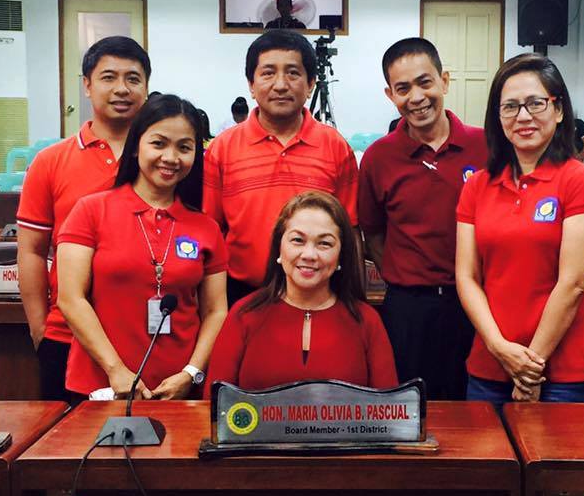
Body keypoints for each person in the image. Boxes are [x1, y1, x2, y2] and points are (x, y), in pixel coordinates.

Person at [456, 53, 584, 407]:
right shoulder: (477, 185)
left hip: (565, 373)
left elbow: (572, 284)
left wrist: (529, 368)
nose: (523, 116)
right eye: (510, 107)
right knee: (488, 462)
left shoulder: (580, 181)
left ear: (558, 110)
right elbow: (466, 276)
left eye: (535, 103)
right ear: (497, 117)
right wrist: (498, 347)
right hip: (489, 365)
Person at [56, 95, 228, 401]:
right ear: (136, 146)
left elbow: (216, 311)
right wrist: (116, 369)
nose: (171, 157)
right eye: (159, 143)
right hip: (101, 386)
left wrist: (191, 373)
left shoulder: (206, 228)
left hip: (178, 390)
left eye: (184, 147)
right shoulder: (91, 210)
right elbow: (71, 299)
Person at [17, 36, 150, 402]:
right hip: (67, 337)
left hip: (150, 339)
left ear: (146, 87)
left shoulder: (162, 162)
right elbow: (31, 250)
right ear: (87, 84)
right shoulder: (51, 161)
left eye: (133, 78)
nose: (121, 89)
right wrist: (39, 328)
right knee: (67, 453)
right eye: (108, 77)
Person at [358, 38, 488, 400]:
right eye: (403, 88)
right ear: (390, 95)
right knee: (410, 408)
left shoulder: (487, 146)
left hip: (476, 305)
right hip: (408, 309)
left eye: (425, 82)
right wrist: (407, 276)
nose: (416, 97)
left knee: (474, 411)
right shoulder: (378, 157)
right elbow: (373, 233)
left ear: (444, 81)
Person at [203, 29, 358, 308]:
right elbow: (210, 230)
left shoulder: (335, 147)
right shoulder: (222, 148)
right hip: (241, 294)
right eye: (268, 73)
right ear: (251, 84)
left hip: (319, 294)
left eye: (293, 73)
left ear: (311, 83)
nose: (280, 84)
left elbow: (349, 231)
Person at [205, 191, 397, 392]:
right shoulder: (244, 315)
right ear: (279, 247)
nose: (309, 255)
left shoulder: (367, 321)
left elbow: (388, 413)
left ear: (341, 255)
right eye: (298, 240)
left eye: (324, 243)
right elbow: (216, 407)